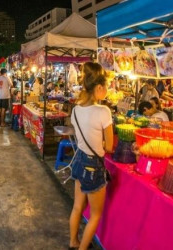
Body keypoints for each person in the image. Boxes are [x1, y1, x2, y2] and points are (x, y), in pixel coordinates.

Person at [69, 62, 113, 250]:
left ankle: (73, 242)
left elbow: (83, 136)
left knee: (78, 207)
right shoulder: (103, 111)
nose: (108, 91)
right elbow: (109, 146)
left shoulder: (76, 110)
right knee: (95, 215)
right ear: (99, 87)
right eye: (107, 87)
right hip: (93, 166)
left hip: (78, 160)